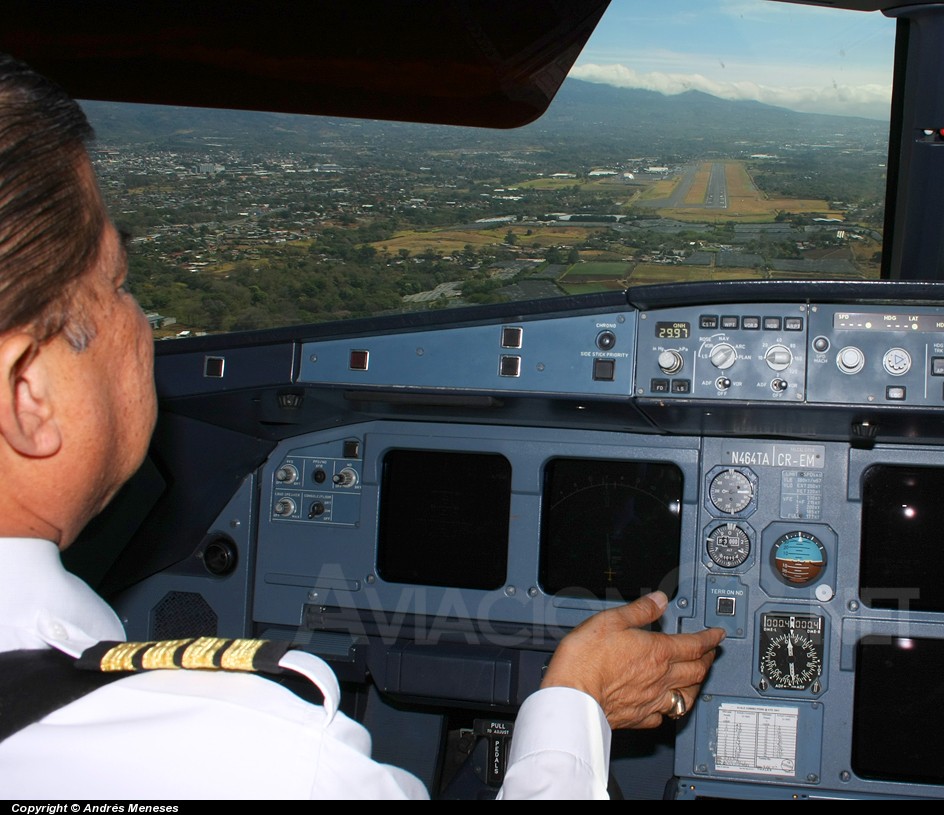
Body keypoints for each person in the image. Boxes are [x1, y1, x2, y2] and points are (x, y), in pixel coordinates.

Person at [0, 53, 725, 799]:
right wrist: (576, 701)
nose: (143, 323)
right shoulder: (256, 757)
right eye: (118, 285)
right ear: (29, 393)